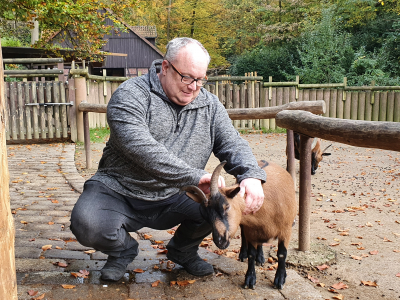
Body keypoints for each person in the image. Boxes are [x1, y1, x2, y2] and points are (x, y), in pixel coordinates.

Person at [70, 37, 266, 282]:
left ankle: (182, 250)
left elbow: (233, 143)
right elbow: (140, 148)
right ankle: (122, 251)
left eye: (200, 79)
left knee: (218, 204)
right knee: (86, 223)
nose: (194, 87)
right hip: (120, 189)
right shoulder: (131, 95)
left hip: (178, 194)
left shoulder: (210, 106)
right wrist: (194, 176)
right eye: (187, 77)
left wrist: (251, 174)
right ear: (165, 68)